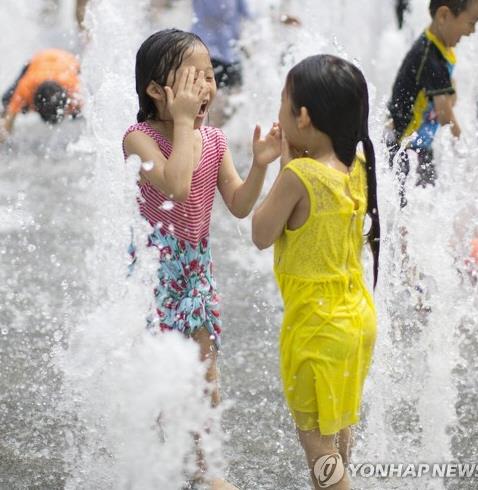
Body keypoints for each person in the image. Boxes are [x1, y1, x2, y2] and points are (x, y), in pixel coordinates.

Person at [122, 28, 281, 490]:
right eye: (192, 80)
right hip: (154, 277)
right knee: (158, 382)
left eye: (209, 77)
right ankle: (151, 462)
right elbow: (176, 184)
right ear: (156, 91)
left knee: (207, 378)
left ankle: (205, 469)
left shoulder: (212, 140)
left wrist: (261, 164)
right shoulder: (139, 139)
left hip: (196, 273)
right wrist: (186, 123)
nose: (206, 88)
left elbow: (238, 203)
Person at [252, 55, 380, 489]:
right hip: (357, 321)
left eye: (284, 102)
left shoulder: (300, 175)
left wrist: (282, 167)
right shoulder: (357, 169)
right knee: (339, 430)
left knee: (318, 450)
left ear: (302, 117)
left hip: (317, 330)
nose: (279, 110)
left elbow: (261, 232)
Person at [387, 0, 478, 207]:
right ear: (444, 16)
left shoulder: (438, 48)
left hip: (418, 143)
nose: (473, 31)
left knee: (426, 198)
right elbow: (445, 116)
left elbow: (449, 98)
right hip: (402, 145)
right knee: (403, 207)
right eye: (471, 22)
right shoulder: (430, 58)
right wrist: (464, 147)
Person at [0, 49, 81, 141]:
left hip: (68, 61)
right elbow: (9, 118)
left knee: (77, 113)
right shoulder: (25, 89)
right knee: (7, 101)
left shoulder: (74, 89)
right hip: (36, 62)